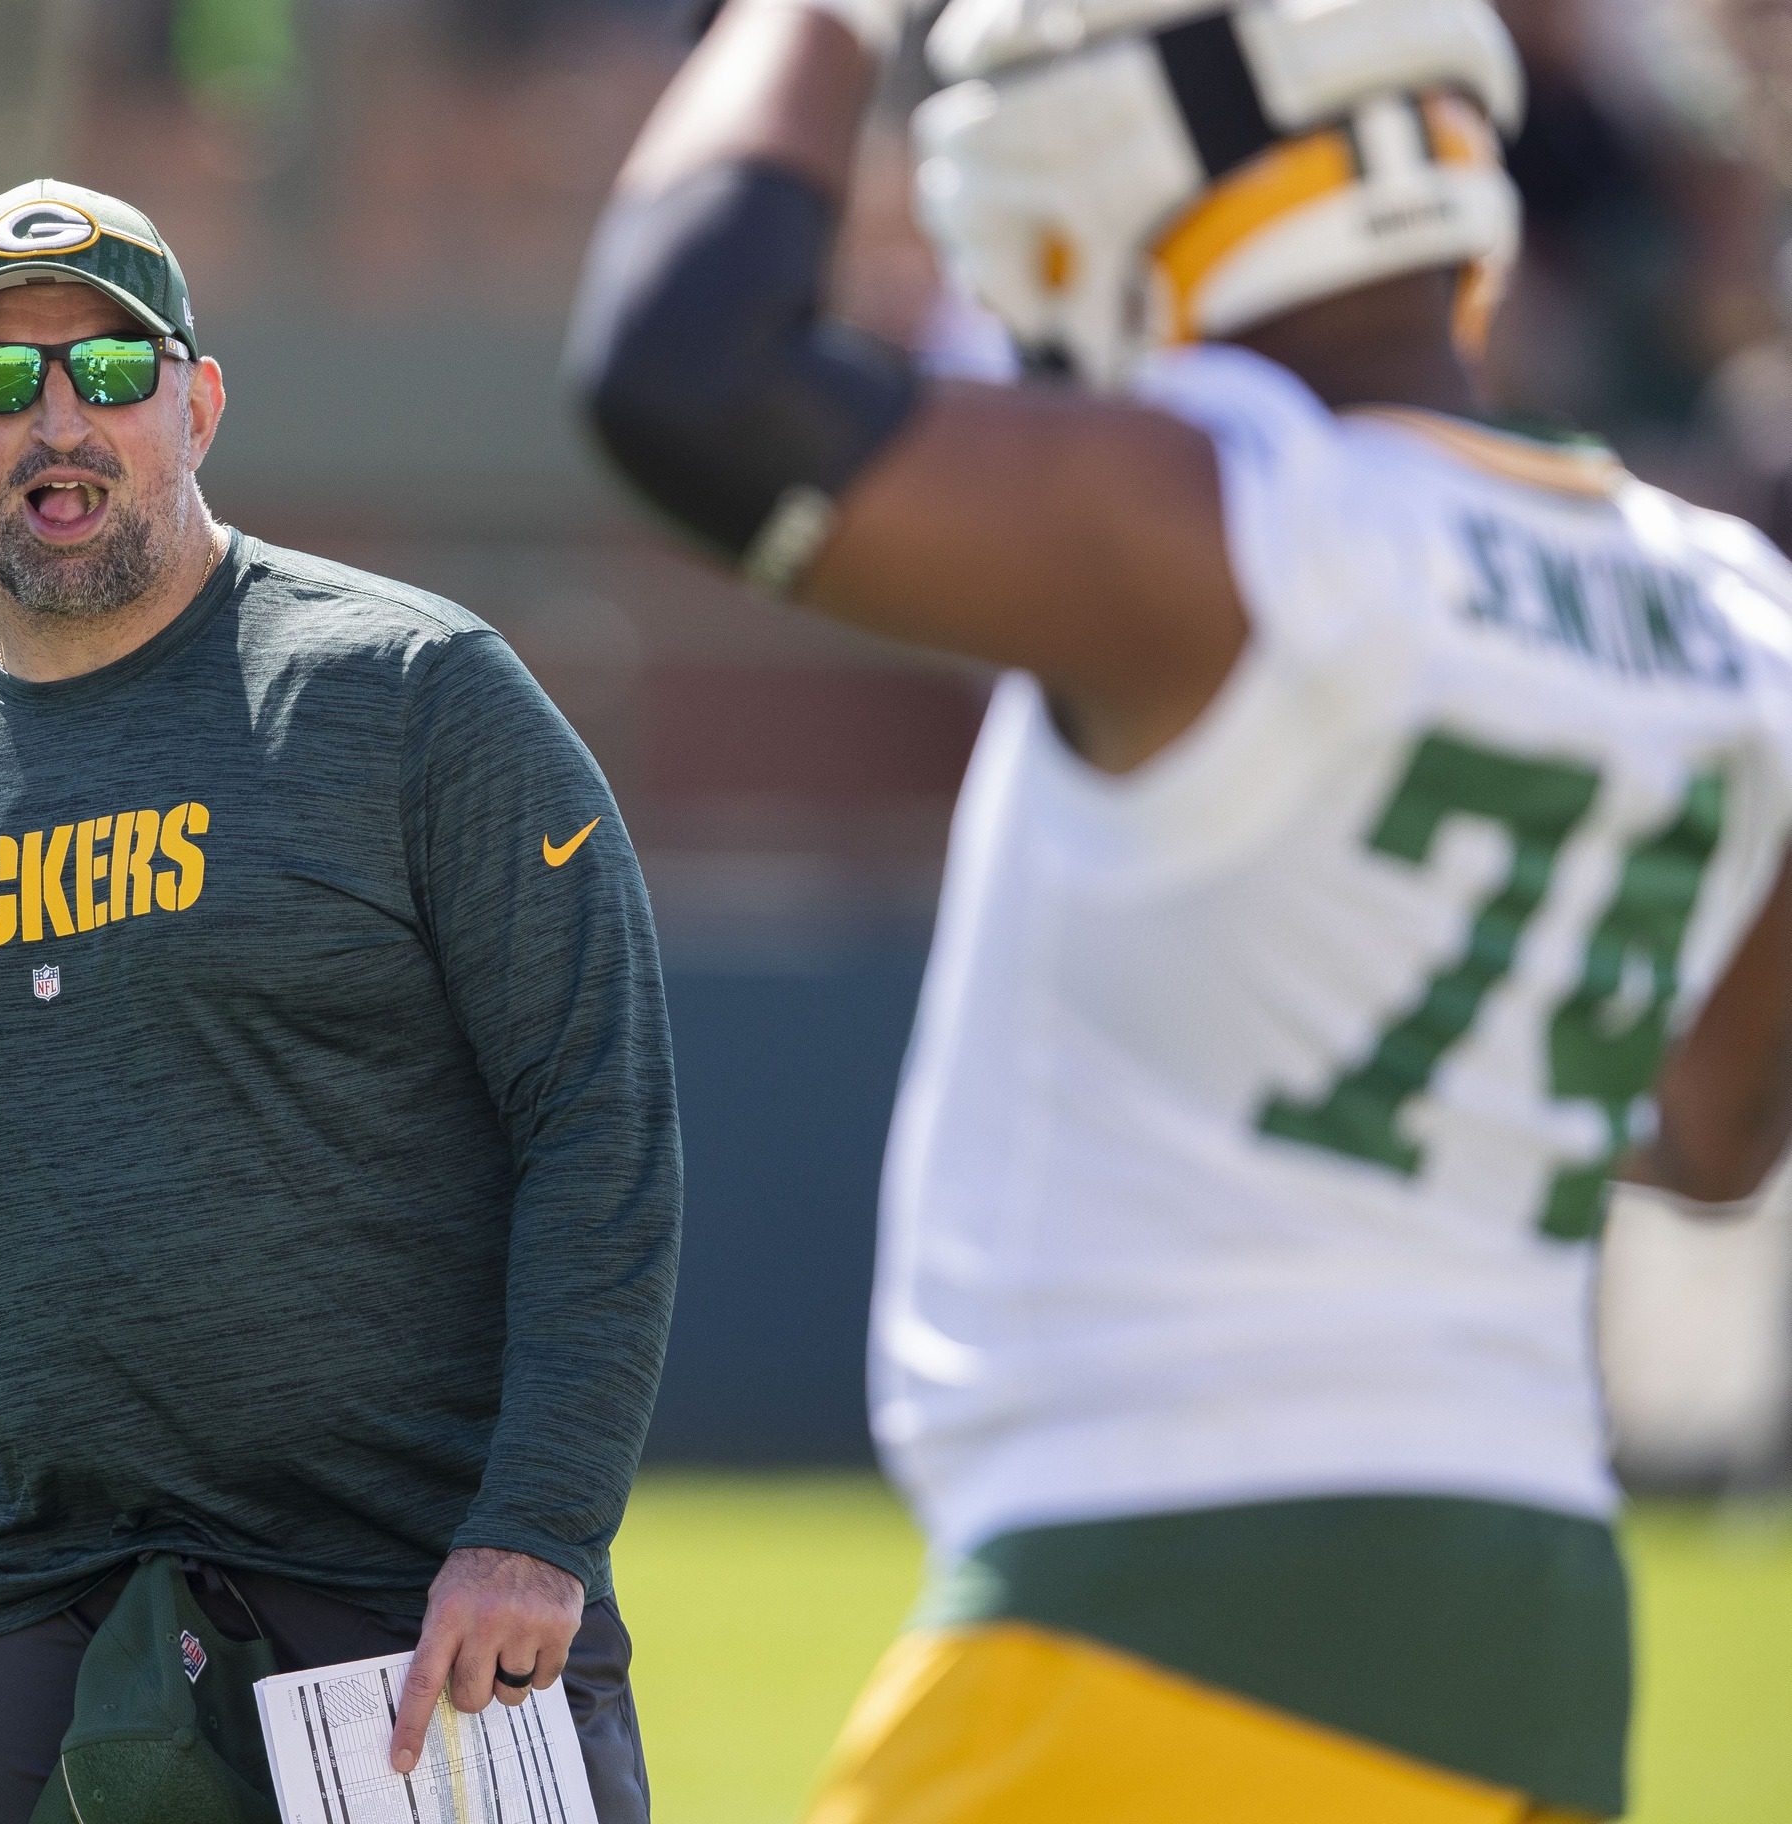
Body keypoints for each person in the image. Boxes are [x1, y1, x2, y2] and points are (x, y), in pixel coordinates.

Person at [568, 1, 1792, 1818]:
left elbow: (684, 372)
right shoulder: (1736, 611)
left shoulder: (1240, 520)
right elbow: (1704, 1130)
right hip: (1536, 1656)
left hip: (1143, 1617)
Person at [0, 178, 679, 1824]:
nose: (58, 421)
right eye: (0, 381)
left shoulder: (415, 699)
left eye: (110, 369)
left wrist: (537, 1532)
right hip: (44, 1623)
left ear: (199, 402)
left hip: (415, 1618)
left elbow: (601, 1126)